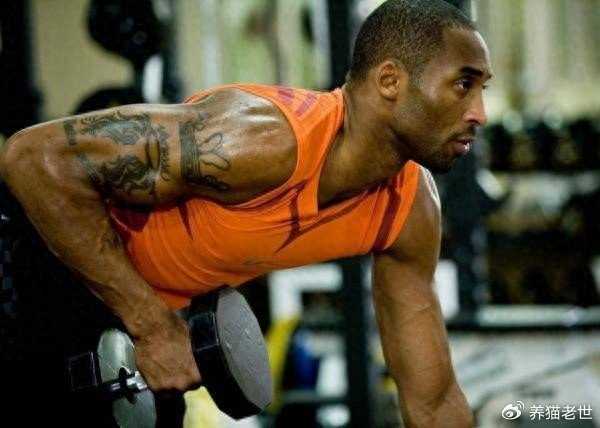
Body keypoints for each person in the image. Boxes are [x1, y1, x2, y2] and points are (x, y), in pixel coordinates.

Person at [0, 0, 491, 426]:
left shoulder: (409, 210)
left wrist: (149, 324)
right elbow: (33, 159)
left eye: (482, 88)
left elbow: (433, 400)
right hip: (28, 272)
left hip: (120, 310)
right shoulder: (259, 140)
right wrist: (152, 326)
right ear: (390, 81)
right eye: (463, 84)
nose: (479, 113)